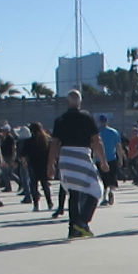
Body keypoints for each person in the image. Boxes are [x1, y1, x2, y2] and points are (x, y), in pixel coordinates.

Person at [48, 90, 105, 239]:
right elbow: (97, 140)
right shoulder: (87, 117)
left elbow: (54, 143)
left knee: (73, 192)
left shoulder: (60, 119)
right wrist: (103, 160)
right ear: (80, 102)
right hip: (82, 154)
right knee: (97, 189)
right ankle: (83, 221)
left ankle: (73, 228)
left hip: (65, 157)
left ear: (68, 102)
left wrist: (50, 165)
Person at [96, 114, 121, 206]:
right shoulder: (114, 132)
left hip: (99, 159)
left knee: (103, 179)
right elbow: (118, 146)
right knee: (112, 177)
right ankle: (111, 191)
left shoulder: (97, 132)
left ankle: (105, 197)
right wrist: (121, 158)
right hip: (112, 158)